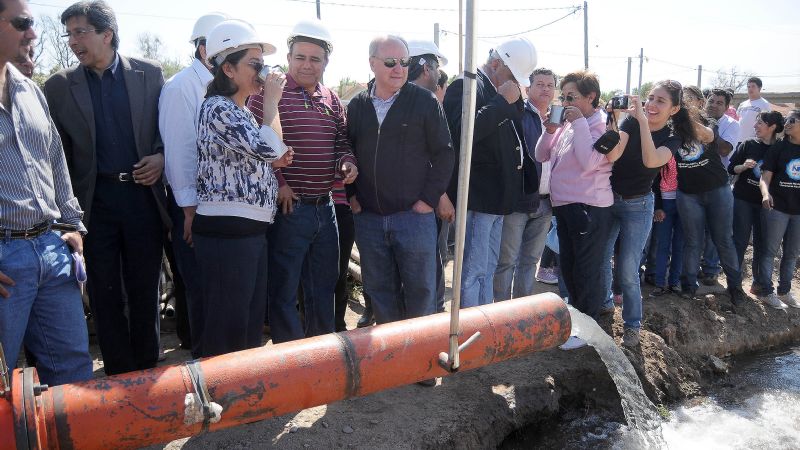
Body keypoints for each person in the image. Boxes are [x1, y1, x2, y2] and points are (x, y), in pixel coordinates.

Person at [43, 0, 169, 375]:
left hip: (142, 198)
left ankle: (147, 369)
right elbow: (57, 154)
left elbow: (169, 133)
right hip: (93, 204)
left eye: (80, 32)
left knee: (146, 287)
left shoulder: (150, 74)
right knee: (103, 290)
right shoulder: (60, 86)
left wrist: (160, 157)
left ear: (107, 34)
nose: (72, 41)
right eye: (69, 34)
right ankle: (117, 371)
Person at [0, 0, 92, 386]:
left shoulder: (30, 91)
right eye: (22, 23)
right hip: (5, 263)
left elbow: (54, 158)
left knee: (72, 375)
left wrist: (72, 227)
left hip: (51, 251)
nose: (32, 33)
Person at [247, 19, 357, 343]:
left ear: (326, 62)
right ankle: (291, 365)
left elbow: (342, 144)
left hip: (326, 208)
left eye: (315, 59)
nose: (307, 65)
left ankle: (320, 359)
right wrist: (280, 180)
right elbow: (255, 145)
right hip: (289, 210)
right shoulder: (269, 95)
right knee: (283, 291)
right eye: (300, 57)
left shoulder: (332, 100)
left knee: (323, 289)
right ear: (289, 56)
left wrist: (347, 163)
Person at [193, 19, 293, 357]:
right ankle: (221, 399)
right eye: (255, 64)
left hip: (247, 232)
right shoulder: (217, 108)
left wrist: (270, 113)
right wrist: (272, 104)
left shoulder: (243, 111)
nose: (262, 72)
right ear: (229, 68)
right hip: (226, 234)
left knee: (247, 322)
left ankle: (242, 396)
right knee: (227, 326)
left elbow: (274, 149)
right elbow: (271, 149)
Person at [346, 34, 453, 328]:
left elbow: (444, 154)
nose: (399, 68)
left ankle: (423, 365)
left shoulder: (425, 101)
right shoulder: (356, 105)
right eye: (390, 62)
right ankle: (393, 363)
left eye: (405, 62)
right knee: (380, 293)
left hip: (413, 218)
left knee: (421, 293)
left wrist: (427, 201)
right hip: (368, 218)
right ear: (372, 64)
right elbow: (347, 149)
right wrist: (353, 194)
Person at [443, 37, 539, 308]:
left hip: (498, 201)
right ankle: (470, 326)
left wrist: (509, 102)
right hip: (480, 199)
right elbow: (461, 134)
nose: (514, 84)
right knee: (473, 270)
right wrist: (500, 102)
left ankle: (484, 325)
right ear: (496, 64)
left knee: (487, 267)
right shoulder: (465, 86)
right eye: (512, 76)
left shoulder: (495, 90)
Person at [158, 12, 227, 358]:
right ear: (203, 49)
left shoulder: (223, 89)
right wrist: (188, 210)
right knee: (200, 288)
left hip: (219, 206)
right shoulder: (181, 87)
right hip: (194, 206)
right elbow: (180, 153)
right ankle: (205, 366)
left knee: (216, 288)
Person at [603, 81, 686, 347]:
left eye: (661, 101)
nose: (652, 104)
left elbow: (651, 160)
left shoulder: (673, 138)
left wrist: (641, 123)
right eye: (650, 97)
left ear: (674, 109)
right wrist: (613, 119)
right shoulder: (629, 123)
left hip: (639, 206)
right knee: (602, 259)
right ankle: (605, 309)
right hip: (607, 199)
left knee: (628, 269)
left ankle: (631, 326)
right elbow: (613, 155)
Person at [535, 70, 612, 350]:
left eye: (573, 97)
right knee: (568, 267)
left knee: (586, 270)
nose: (566, 102)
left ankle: (587, 329)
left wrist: (578, 123)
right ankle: (577, 320)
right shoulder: (569, 124)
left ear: (591, 97)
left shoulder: (599, 124)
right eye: (564, 96)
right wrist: (550, 131)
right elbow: (541, 155)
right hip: (564, 205)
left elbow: (588, 161)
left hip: (589, 206)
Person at [674, 88, 748, 306]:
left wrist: (682, 116)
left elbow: (718, 145)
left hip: (718, 190)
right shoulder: (667, 128)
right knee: (692, 242)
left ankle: (735, 288)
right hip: (688, 194)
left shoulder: (708, 122)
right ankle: (688, 287)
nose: (712, 105)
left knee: (724, 240)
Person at [494, 68, 556, 300]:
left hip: (547, 202)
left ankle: (521, 312)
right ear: (527, 89)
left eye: (550, 85)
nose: (545, 89)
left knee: (530, 261)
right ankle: (500, 313)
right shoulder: (518, 113)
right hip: (518, 201)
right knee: (506, 261)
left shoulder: (558, 120)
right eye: (540, 84)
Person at [407, 39, 452, 314]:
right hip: (419, 205)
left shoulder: (422, 102)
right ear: (425, 67)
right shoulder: (420, 103)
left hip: (422, 201)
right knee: (425, 272)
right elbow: (427, 158)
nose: (437, 76)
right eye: (435, 67)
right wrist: (440, 197)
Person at [729, 111, 784, 295]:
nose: (755, 126)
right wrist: (744, 166)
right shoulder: (748, 144)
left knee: (762, 245)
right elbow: (731, 168)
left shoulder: (780, 149)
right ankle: (734, 284)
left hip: (766, 205)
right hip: (743, 200)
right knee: (740, 242)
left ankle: (758, 284)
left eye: (760, 123)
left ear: (772, 127)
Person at [756, 110, 800, 309]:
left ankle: (784, 292)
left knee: (791, 254)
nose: (787, 123)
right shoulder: (779, 148)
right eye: (786, 120)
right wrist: (766, 194)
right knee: (770, 251)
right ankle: (766, 291)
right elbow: (765, 178)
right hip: (778, 208)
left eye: (792, 120)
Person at [698, 88, 741, 284]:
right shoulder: (695, 120)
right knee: (693, 232)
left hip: (717, 185)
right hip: (692, 183)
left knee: (716, 231)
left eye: (719, 103)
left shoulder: (731, 125)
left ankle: (710, 269)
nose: (713, 105)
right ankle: (690, 270)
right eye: (711, 101)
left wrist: (711, 129)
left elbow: (724, 150)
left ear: (726, 107)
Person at [737, 77, 771, 144]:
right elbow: (737, 120)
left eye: (753, 86)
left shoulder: (764, 104)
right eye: (748, 87)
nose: (750, 89)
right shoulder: (742, 104)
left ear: (759, 88)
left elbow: (768, 123)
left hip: (754, 141)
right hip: (738, 140)